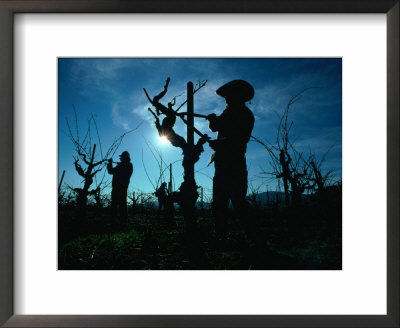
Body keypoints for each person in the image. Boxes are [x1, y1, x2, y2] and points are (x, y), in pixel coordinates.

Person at [206, 80, 255, 239]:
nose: (226, 100)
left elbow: (240, 139)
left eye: (228, 96)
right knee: (220, 202)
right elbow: (216, 127)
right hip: (221, 164)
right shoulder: (228, 113)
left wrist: (220, 143)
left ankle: (253, 236)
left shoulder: (244, 115)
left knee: (238, 201)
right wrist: (212, 120)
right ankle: (221, 236)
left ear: (237, 97)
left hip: (234, 165)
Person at [107, 151, 133, 226]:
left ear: (125, 158)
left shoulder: (129, 165)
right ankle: (114, 221)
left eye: (122, 157)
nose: (121, 158)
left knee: (122, 205)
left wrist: (117, 164)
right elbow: (111, 171)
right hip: (116, 188)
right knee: (114, 205)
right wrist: (110, 164)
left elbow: (124, 173)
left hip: (122, 188)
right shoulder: (120, 166)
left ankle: (123, 222)